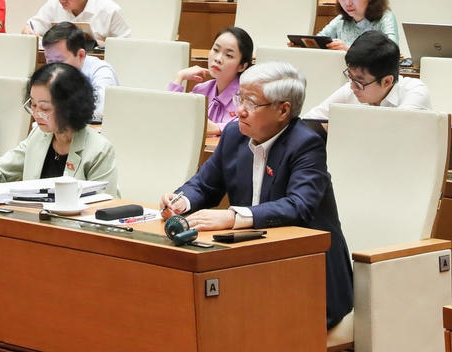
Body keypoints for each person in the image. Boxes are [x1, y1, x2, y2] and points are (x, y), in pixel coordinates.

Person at [160, 61, 352, 329]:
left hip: (308, 276)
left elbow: (298, 206)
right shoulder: (234, 134)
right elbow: (204, 185)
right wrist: (181, 200)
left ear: (283, 110)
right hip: (250, 265)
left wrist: (233, 217)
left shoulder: (306, 143)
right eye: (240, 98)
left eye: (251, 103)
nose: (240, 110)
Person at [0, 61, 116, 190]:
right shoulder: (39, 135)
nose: (36, 114)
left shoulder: (99, 150)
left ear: (70, 108)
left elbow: (105, 205)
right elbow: (0, 169)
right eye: (33, 105)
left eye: (44, 108)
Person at [303, 31, 431, 120]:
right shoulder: (352, 88)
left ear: (387, 81)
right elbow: (311, 120)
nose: (352, 87)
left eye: (359, 82)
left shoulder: (415, 91)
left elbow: (394, 128)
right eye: (350, 76)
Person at [169, 27, 253, 137]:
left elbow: (251, 127)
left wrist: (218, 128)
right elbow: (172, 116)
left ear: (242, 66)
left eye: (229, 55)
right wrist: (179, 77)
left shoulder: (248, 98)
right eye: (216, 50)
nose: (218, 59)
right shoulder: (201, 90)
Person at [40, 23, 119, 120]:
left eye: (60, 61)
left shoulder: (102, 71)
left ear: (81, 55)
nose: (54, 68)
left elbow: (101, 111)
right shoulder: (49, 74)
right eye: (50, 61)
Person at [318, 0, 398, 50]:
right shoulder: (340, 20)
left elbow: (392, 51)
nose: (347, 3)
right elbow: (317, 42)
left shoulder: (385, 18)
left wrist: (349, 51)